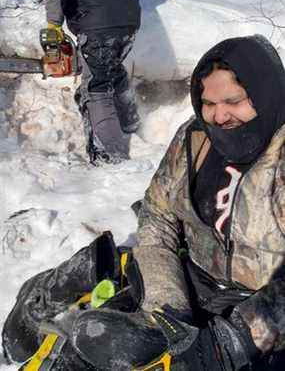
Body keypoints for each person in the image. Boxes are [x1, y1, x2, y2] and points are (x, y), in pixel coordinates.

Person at [2, 35, 285, 370]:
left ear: (266, 94)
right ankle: (37, 318)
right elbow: (158, 213)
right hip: (187, 281)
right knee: (93, 342)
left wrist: (234, 340)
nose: (219, 116)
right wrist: (167, 305)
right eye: (208, 103)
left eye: (233, 100)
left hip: (258, 317)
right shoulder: (195, 138)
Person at [42, 0, 146, 165]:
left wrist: (53, 24)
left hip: (97, 22)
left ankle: (110, 156)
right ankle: (131, 122)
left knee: (96, 86)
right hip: (129, 20)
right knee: (113, 70)